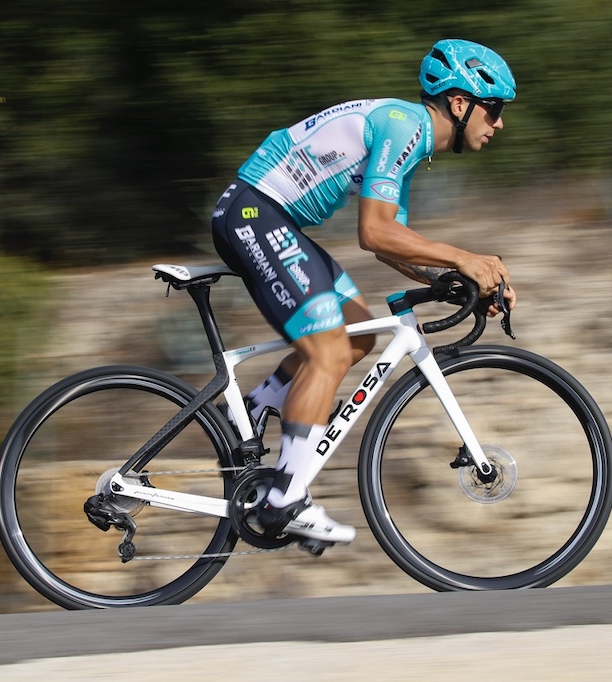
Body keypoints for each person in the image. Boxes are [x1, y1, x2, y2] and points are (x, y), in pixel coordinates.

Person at [211, 38, 517, 549]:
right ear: (460, 104)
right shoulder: (404, 126)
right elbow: (373, 233)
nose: (499, 123)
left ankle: (256, 406)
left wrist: (449, 282)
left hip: (269, 217)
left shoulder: (407, 136)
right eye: (495, 108)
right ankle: (286, 497)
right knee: (327, 350)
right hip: (255, 213)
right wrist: (465, 257)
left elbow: (393, 243)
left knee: (355, 339)